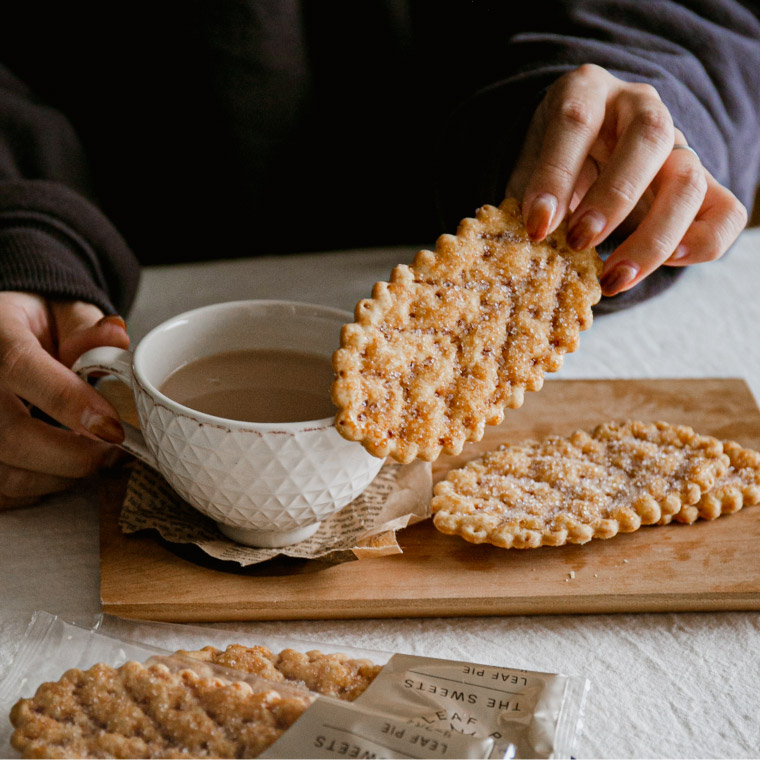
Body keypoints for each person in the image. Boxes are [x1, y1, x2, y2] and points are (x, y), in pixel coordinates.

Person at [0, 0, 757, 509]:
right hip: (102, 279)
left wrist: (621, 135)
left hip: (486, 201)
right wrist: (17, 233)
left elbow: (703, 16)